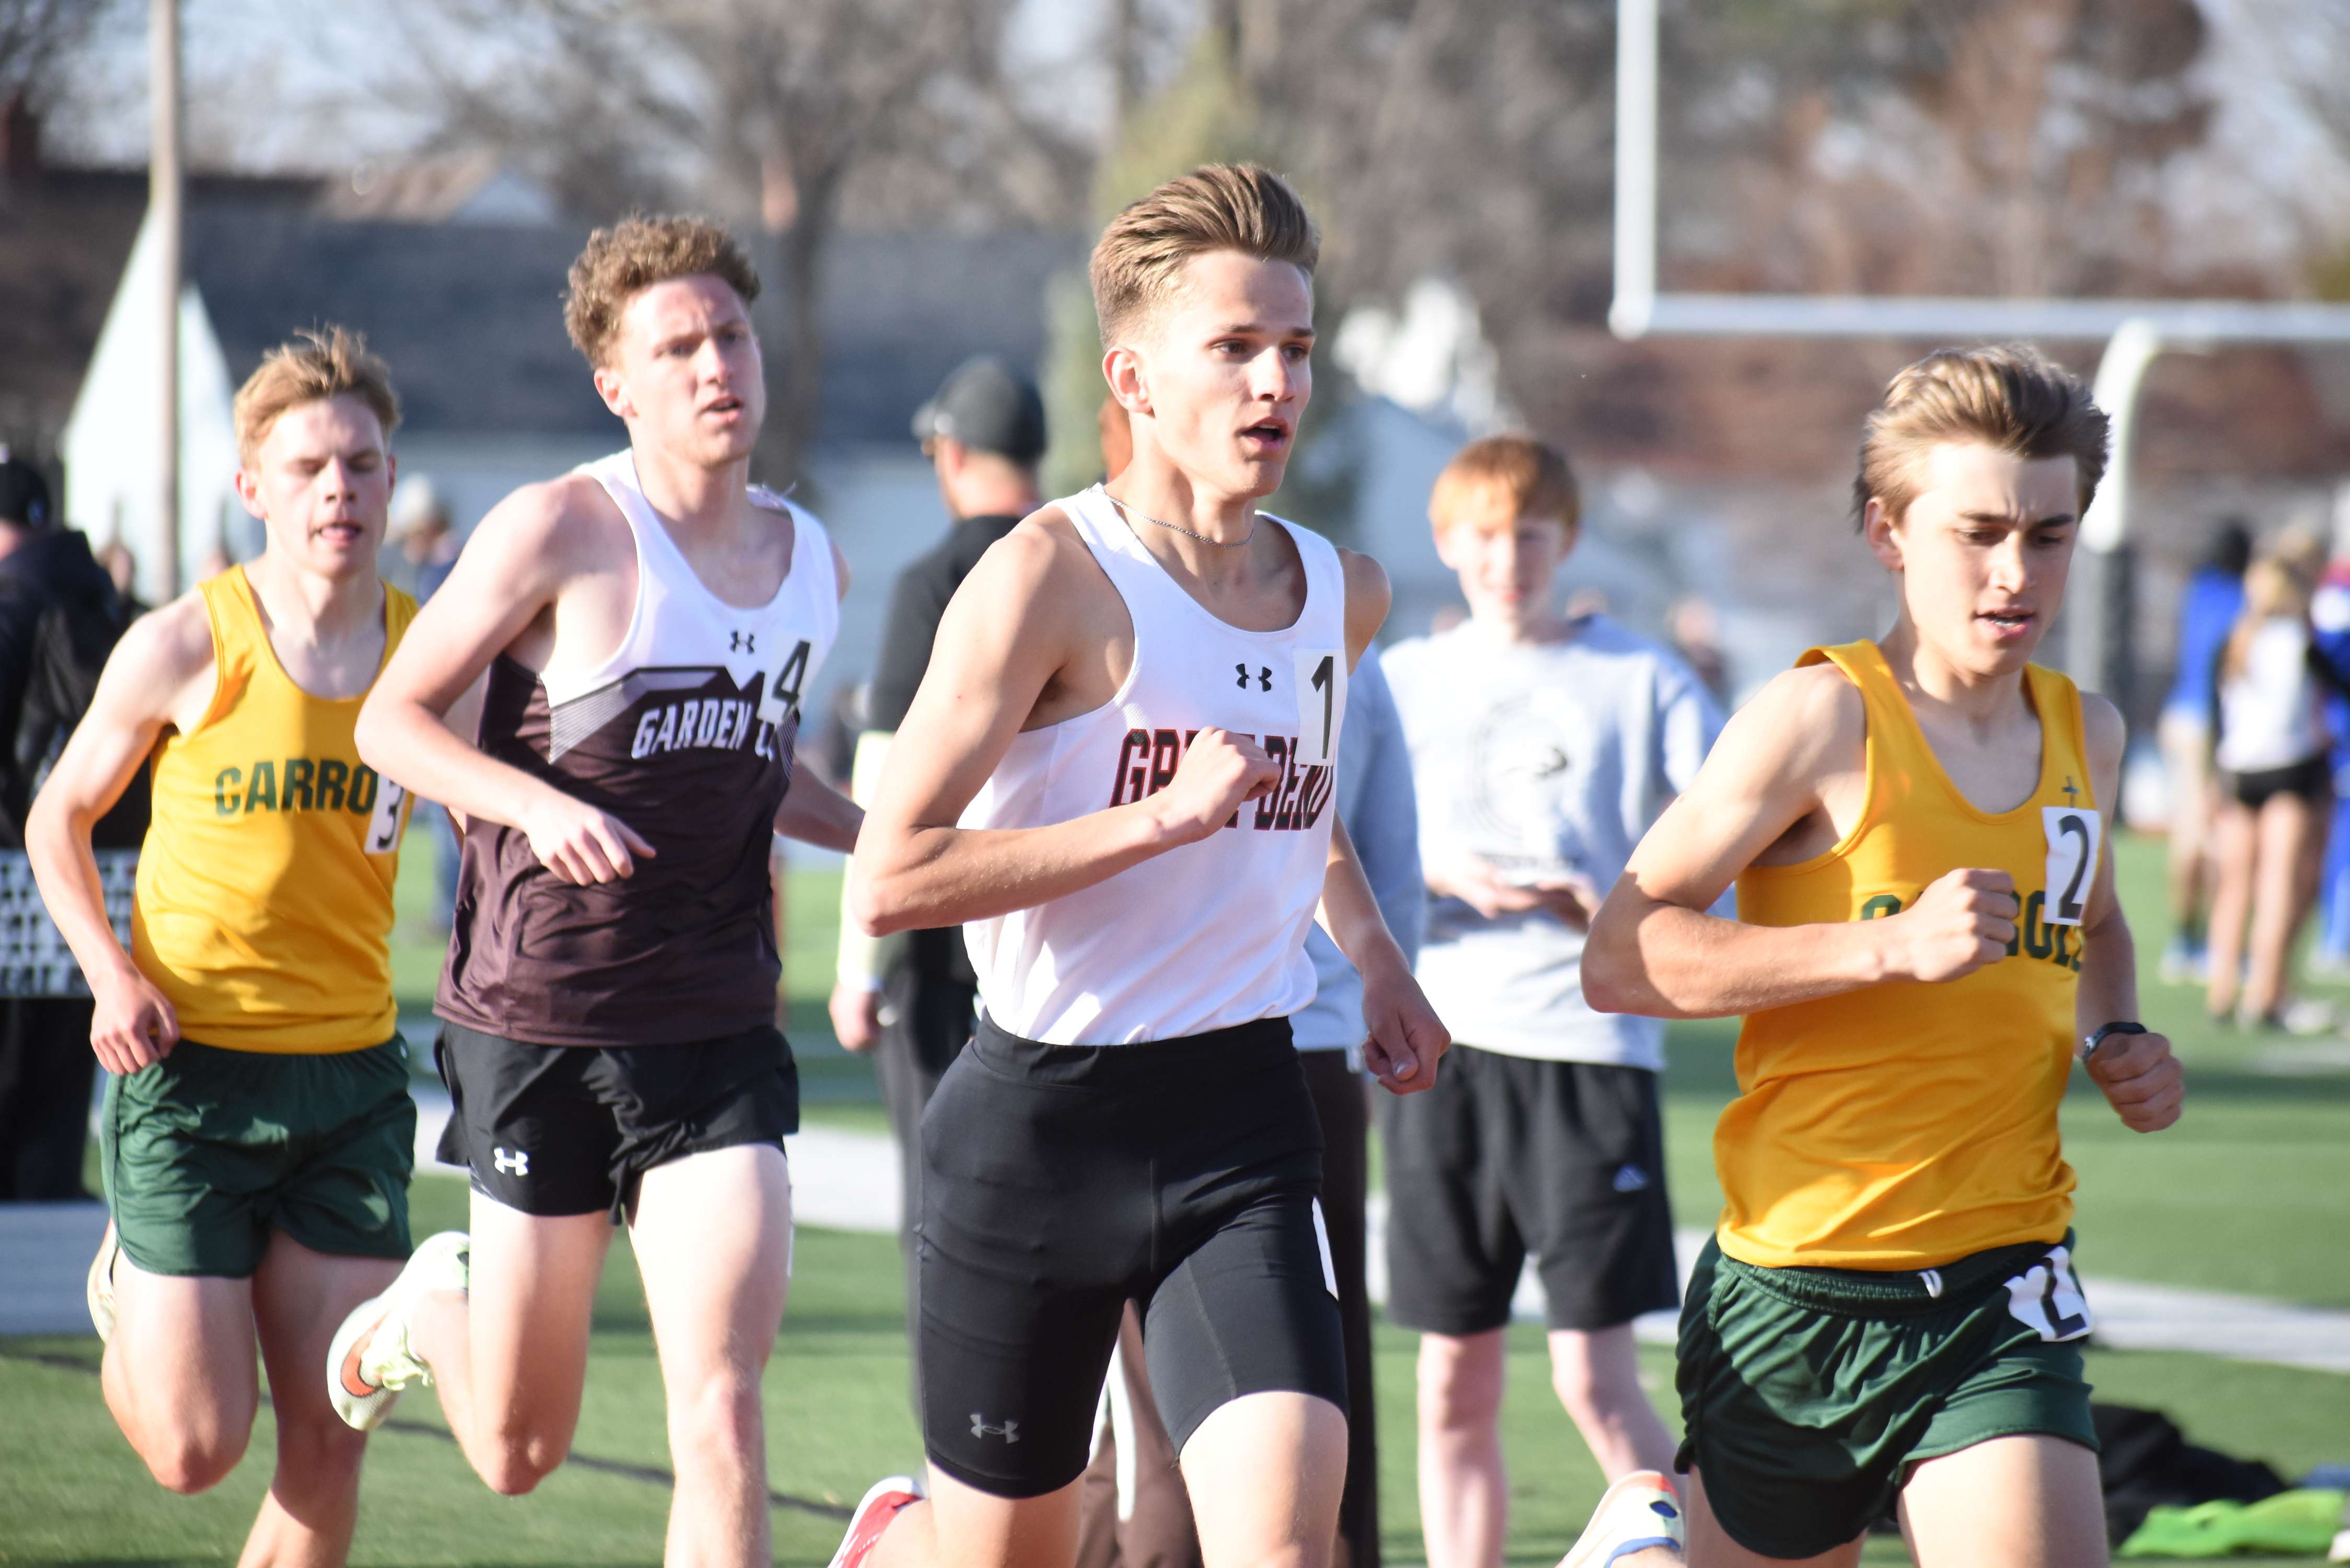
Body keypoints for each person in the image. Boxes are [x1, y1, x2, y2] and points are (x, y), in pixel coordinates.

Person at [828, 164, 1533, 1568]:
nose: (1277, 383)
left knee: (1283, 1533)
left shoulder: (1344, 593)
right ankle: (897, 1542)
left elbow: (1295, 795)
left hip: (1238, 1113)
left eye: (1298, 351)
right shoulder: (1048, 580)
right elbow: (891, 878)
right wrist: (1157, 822)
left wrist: (1377, 956)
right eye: (1237, 349)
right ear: (1135, 381)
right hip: (1035, 1125)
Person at [1583, 344, 2186, 1567]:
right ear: (1887, 532)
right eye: (1976, 532)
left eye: (2048, 534)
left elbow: (2097, 919)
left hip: (2000, 1286)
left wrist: (2114, 1031)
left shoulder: (2092, 734)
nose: (2014, 572)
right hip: (1798, 1294)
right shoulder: (1817, 719)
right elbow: (1622, 954)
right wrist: (1883, 946)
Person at [332, 215, 862, 1568]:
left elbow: (763, 773)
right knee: (518, 1451)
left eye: (729, 335)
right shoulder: (561, 527)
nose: (713, 365)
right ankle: (431, 1314)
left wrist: (890, 844)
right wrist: (533, 800)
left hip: (715, 1026)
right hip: (538, 1018)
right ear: (617, 386)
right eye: (675, 346)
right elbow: (391, 723)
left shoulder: (813, 562)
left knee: (724, 1412)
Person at [25, 327, 422, 1566]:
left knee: (333, 1429)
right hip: (190, 1074)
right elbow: (59, 817)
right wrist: (109, 970)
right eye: (307, 467)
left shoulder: (432, 653)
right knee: (194, 1447)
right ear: (253, 487)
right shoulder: (185, 643)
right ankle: (126, 1294)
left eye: (359, 463)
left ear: (391, 476)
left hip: (350, 1080)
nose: (337, 490)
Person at [1382, 434, 1716, 1568]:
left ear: (1567, 541)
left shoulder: (1641, 677)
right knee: (1451, 1376)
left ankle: (1702, 1551)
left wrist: (1623, 901)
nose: (1505, 559)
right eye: (1479, 535)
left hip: (1587, 1048)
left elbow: (1733, 833)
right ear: (1444, 544)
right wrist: (1440, 876)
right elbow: (1331, 834)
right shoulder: (1403, 679)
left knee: (1592, 1376)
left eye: (1528, 534)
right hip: (1442, 1048)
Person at [830, 354, 1047, 1298]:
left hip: (941, 944)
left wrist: (855, 967)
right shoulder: (1084, 561)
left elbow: (885, 780)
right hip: (1058, 934)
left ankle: (957, 1448)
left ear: (950, 455)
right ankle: (1102, 1446)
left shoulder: (938, 578)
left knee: (944, 1212)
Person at [0, 452, 148, 1200]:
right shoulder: (108, 596)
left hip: (18, 875)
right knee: (61, 1084)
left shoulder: (13, 602)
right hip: (109, 875)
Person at [2204, 546, 2332, 1029]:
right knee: (2278, 882)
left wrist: (2213, 779)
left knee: (2235, 885)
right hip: (2292, 769)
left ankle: (2221, 990)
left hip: (2239, 770)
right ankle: (2265, 990)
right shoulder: (2301, 639)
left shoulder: (2236, 639)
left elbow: (2218, 718)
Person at [2156, 519, 2250, 983]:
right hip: (2208, 723)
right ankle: (2198, 941)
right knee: (2207, 836)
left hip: (2178, 715)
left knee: (2192, 831)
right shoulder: (2240, 598)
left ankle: (2191, 939)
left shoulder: (2198, 589)